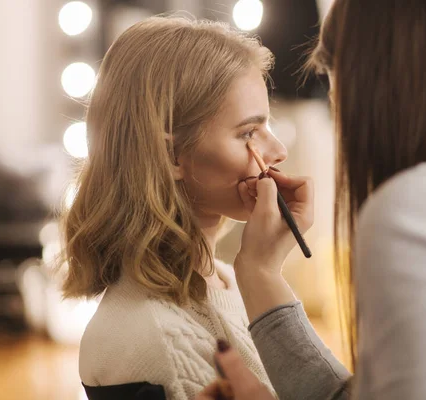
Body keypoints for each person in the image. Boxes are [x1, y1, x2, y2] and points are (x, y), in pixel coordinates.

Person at [197, 0, 426, 399]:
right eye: (248, 132)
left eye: (330, 80)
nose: (336, 104)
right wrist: (260, 272)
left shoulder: (424, 211)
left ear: (362, 77)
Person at [59, 16, 295, 399]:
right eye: (249, 132)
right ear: (170, 154)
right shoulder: (154, 339)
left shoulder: (231, 281)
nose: (279, 151)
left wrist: (266, 274)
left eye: (267, 126)